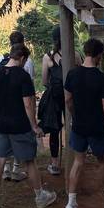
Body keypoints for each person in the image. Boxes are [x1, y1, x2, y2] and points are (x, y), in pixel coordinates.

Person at [0, 43, 57, 208]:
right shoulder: (23, 76)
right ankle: (40, 196)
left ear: (10, 55)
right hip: (20, 126)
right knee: (29, 162)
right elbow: (27, 103)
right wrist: (33, 125)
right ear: (23, 58)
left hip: (1, 124)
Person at [63, 37, 104, 208]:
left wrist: (74, 114)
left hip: (79, 125)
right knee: (103, 163)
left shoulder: (72, 74)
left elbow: (68, 100)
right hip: (98, 126)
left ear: (86, 52)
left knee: (78, 162)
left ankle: (70, 205)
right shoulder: (101, 78)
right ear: (99, 55)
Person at [0, 31, 34, 181]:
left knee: (3, 145)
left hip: (3, 106)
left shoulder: (2, 59)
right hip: (20, 105)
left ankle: (6, 168)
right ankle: (15, 169)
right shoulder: (27, 62)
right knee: (21, 142)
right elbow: (30, 85)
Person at [38, 26, 64, 176]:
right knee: (73, 125)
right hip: (70, 95)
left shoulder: (48, 57)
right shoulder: (75, 55)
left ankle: (54, 164)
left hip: (54, 97)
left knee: (54, 129)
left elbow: (44, 81)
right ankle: (76, 157)